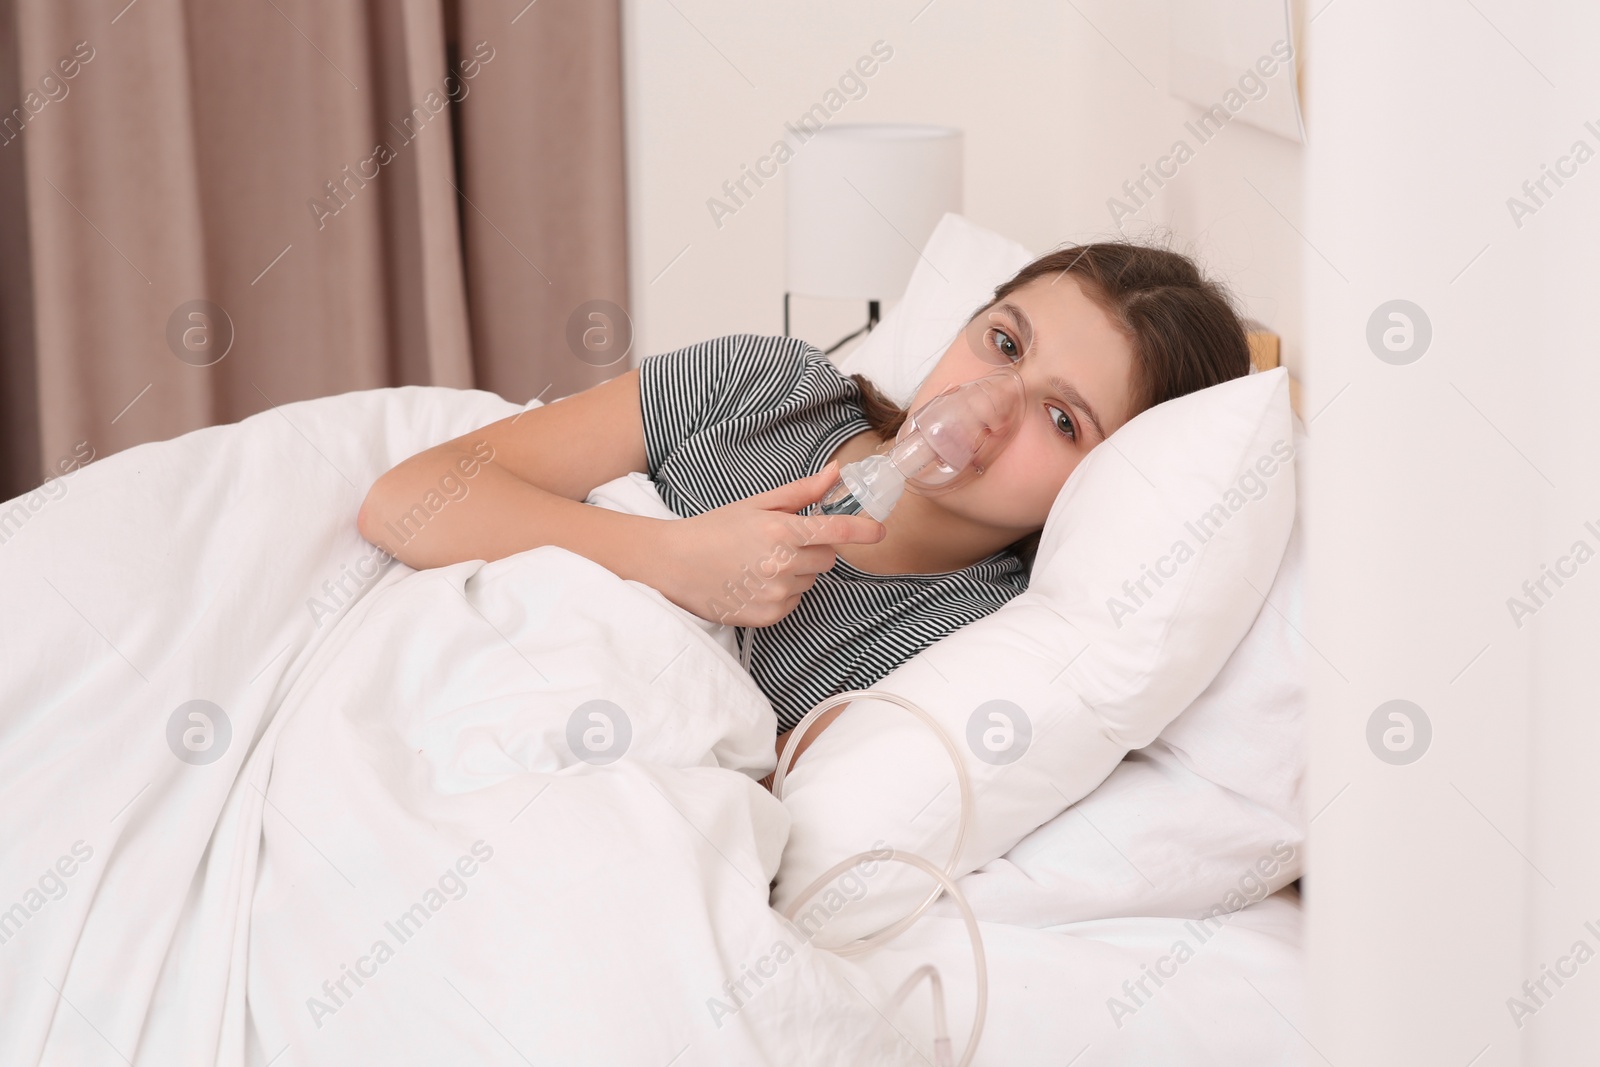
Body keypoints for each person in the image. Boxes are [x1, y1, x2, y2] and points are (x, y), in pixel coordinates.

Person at [356, 241, 1253, 770]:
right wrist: (673, 561)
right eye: (1003, 341)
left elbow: (764, 810)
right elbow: (405, 500)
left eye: (1062, 419)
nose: (989, 405)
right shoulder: (766, 385)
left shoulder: (979, 641)